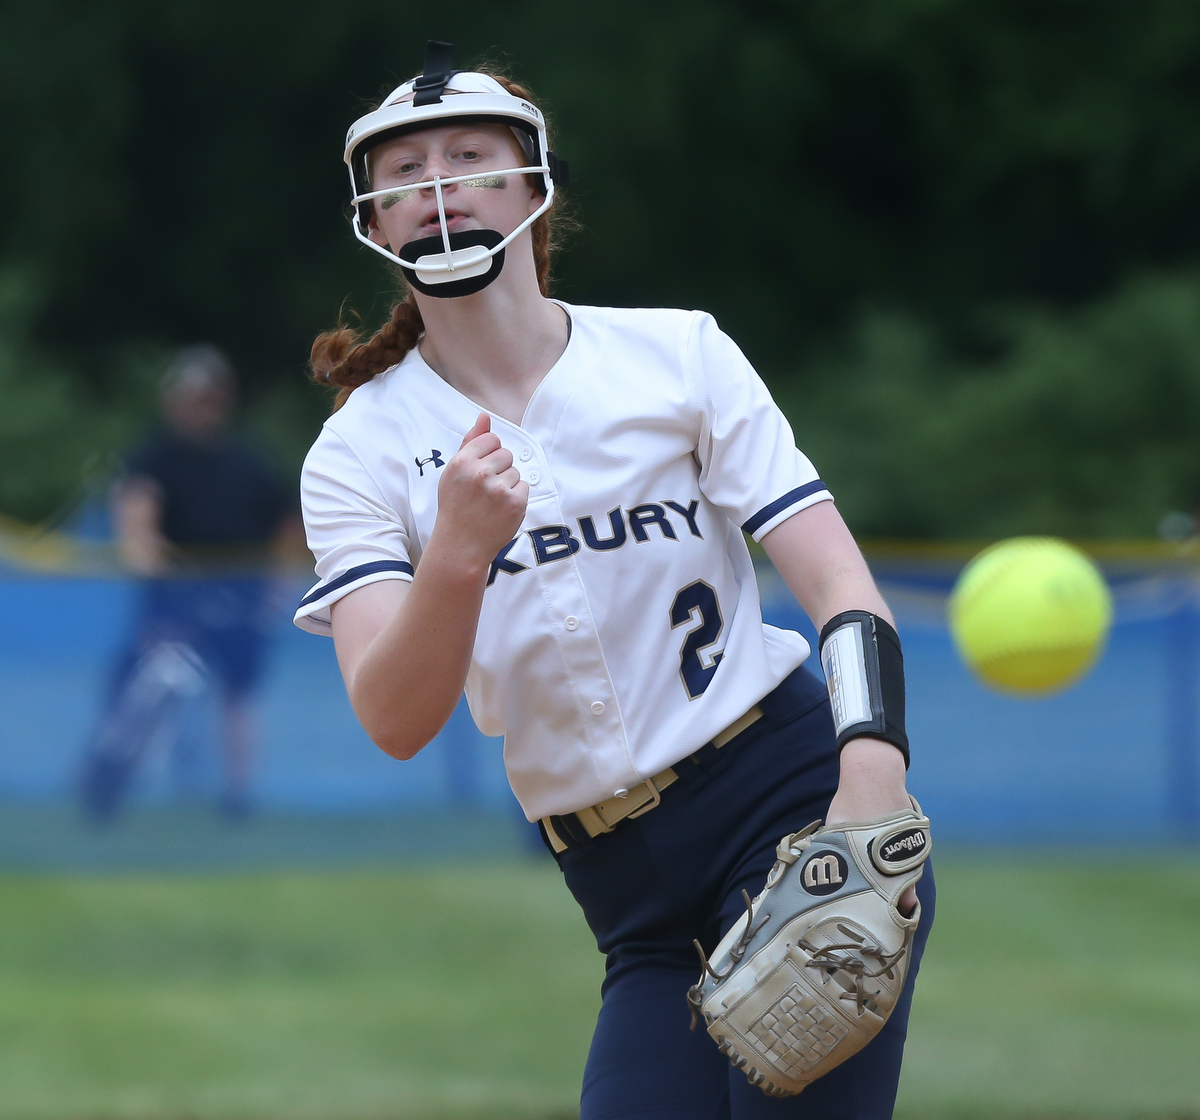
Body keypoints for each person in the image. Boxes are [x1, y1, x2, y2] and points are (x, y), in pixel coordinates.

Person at [295, 44, 934, 1117]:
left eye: (468, 157)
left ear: (531, 186)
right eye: (403, 172)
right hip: (628, 902)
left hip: (785, 814)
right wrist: (454, 554)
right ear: (375, 214)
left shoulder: (675, 355)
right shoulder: (357, 450)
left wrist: (867, 788)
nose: (436, 186)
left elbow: (841, 590)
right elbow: (394, 719)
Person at [80, 345, 298, 822]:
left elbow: (286, 522)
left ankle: (237, 799)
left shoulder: (247, 460)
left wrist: (276, 588)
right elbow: (138, 521)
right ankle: (110, 780)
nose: (200, 406)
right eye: (190, 396)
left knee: (238, 694)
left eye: (209, 396)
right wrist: (160, 574)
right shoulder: (155, 456)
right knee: (153, 686)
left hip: (239, 597)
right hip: (175, 603)